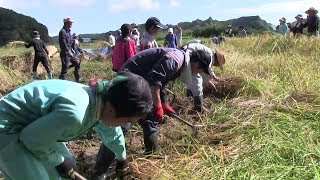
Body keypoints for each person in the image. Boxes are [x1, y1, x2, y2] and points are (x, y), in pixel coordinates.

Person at [0, 71, 153, 180]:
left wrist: (122, 158)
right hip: (8, 128)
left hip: (35, 127)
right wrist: (59, 162)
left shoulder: (101, 101)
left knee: (67, 166)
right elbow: (31, 140)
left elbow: (113, 133)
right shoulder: (75, 113)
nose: (126, 124)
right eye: (128, 120)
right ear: (112, 109)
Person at [93, 47, 214, 178]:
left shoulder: (180, 63)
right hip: (129, 83)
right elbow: (155, 82)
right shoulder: (175, 60)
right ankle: (100, 171)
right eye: (201, 70)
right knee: (122, 125)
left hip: (142, 83)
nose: (198, 73)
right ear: (197, 63)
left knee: (150, 120)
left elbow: (162, 83)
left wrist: (165, 104)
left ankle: (152, 154)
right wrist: (158, 106)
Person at [182, 42, 225, 112]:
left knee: (193, 80)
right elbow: (207, 72)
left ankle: (190, 98)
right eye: (218, 64)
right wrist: (212, 81)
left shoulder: (208, 53)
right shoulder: (210, 57)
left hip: (186, 55)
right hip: (188, 56)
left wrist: (209, 82)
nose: (217, 66)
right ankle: (199, 108)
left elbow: (204, 73)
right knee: (197, 81)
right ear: (217, 60)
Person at [58, 17, 81, 83]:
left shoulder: (68, 31)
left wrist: (72, 49)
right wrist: (68, 51)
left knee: (77, 63)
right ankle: (61, 82)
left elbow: (70, 42)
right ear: (66, 23)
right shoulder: (62, 31)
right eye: (70, 23)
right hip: (65, 53)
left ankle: (77, 80)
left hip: (70, 52)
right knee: (64, 70)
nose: (71, 24)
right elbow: (63, 43)